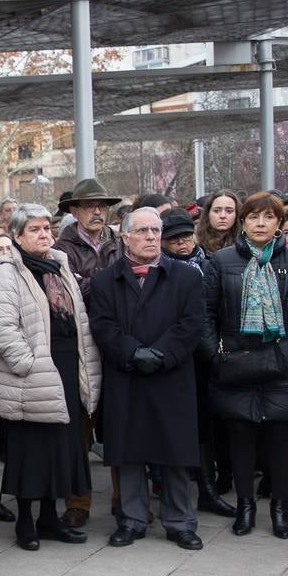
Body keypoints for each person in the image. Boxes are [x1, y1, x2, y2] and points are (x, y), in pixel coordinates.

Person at [203, 192, 288, 539]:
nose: (260, 223)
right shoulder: (222, 261)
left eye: (268, 217)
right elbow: (206, 314)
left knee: (281, 439)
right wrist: (215, 355)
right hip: (235, 365)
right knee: (240, 438)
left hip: (284, 365)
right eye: (253, 216)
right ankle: (245, 506)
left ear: (279, 224)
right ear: (243, 222)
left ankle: (280, 508)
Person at [88, 208, 206, 550]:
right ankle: (132, 519)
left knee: (175, 454)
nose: (152, 237)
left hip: (171, 376)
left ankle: (180, 522)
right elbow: (103, 326)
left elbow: (192, 324)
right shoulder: (104, 280)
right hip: (127, 377)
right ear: (125, 236)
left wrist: (162, 354)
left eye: (156, 230)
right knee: (128, 453)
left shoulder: (187, 276)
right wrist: (131, 352)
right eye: (143, 231)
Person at [0, 204, 100, 551]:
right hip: (31, 375)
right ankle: (25, 523)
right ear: (17, 236)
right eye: (34, 230)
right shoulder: (7, 271)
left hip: (65, 368)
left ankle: (50, 519)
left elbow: (77, 317)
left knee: (61, 449)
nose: (44, 235)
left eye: (47, 228)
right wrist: (29, 364)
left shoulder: (59, 265)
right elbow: (2, 327)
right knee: (30, 451)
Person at [54, 177, 123, 528]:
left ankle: (123, 500)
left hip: (115, 345)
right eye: (89, 206)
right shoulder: (60, 249)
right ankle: (77, 503)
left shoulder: (119, 243)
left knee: (118, 428)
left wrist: (89, 284)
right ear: (74, 211)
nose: (97, 212)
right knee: (77, 433)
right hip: (78, 348)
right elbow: (67, 296)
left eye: (102, 206)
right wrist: (107, 284)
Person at [161, 210, 236, 520]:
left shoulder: (208, 265)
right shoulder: (157, 269)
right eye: (175, 239)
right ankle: (168, 494)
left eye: (186, 237)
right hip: (171, 358)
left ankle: (207, 489)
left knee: (204, 426)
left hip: (203, 358)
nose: (182, 244)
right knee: (172, 427)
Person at [195, 190, 240, 256]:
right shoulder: (194, 244)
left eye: (229, 211)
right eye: (216, 211)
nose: (222, 216)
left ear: (237, 214)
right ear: (208, 213)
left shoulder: (247, 245)